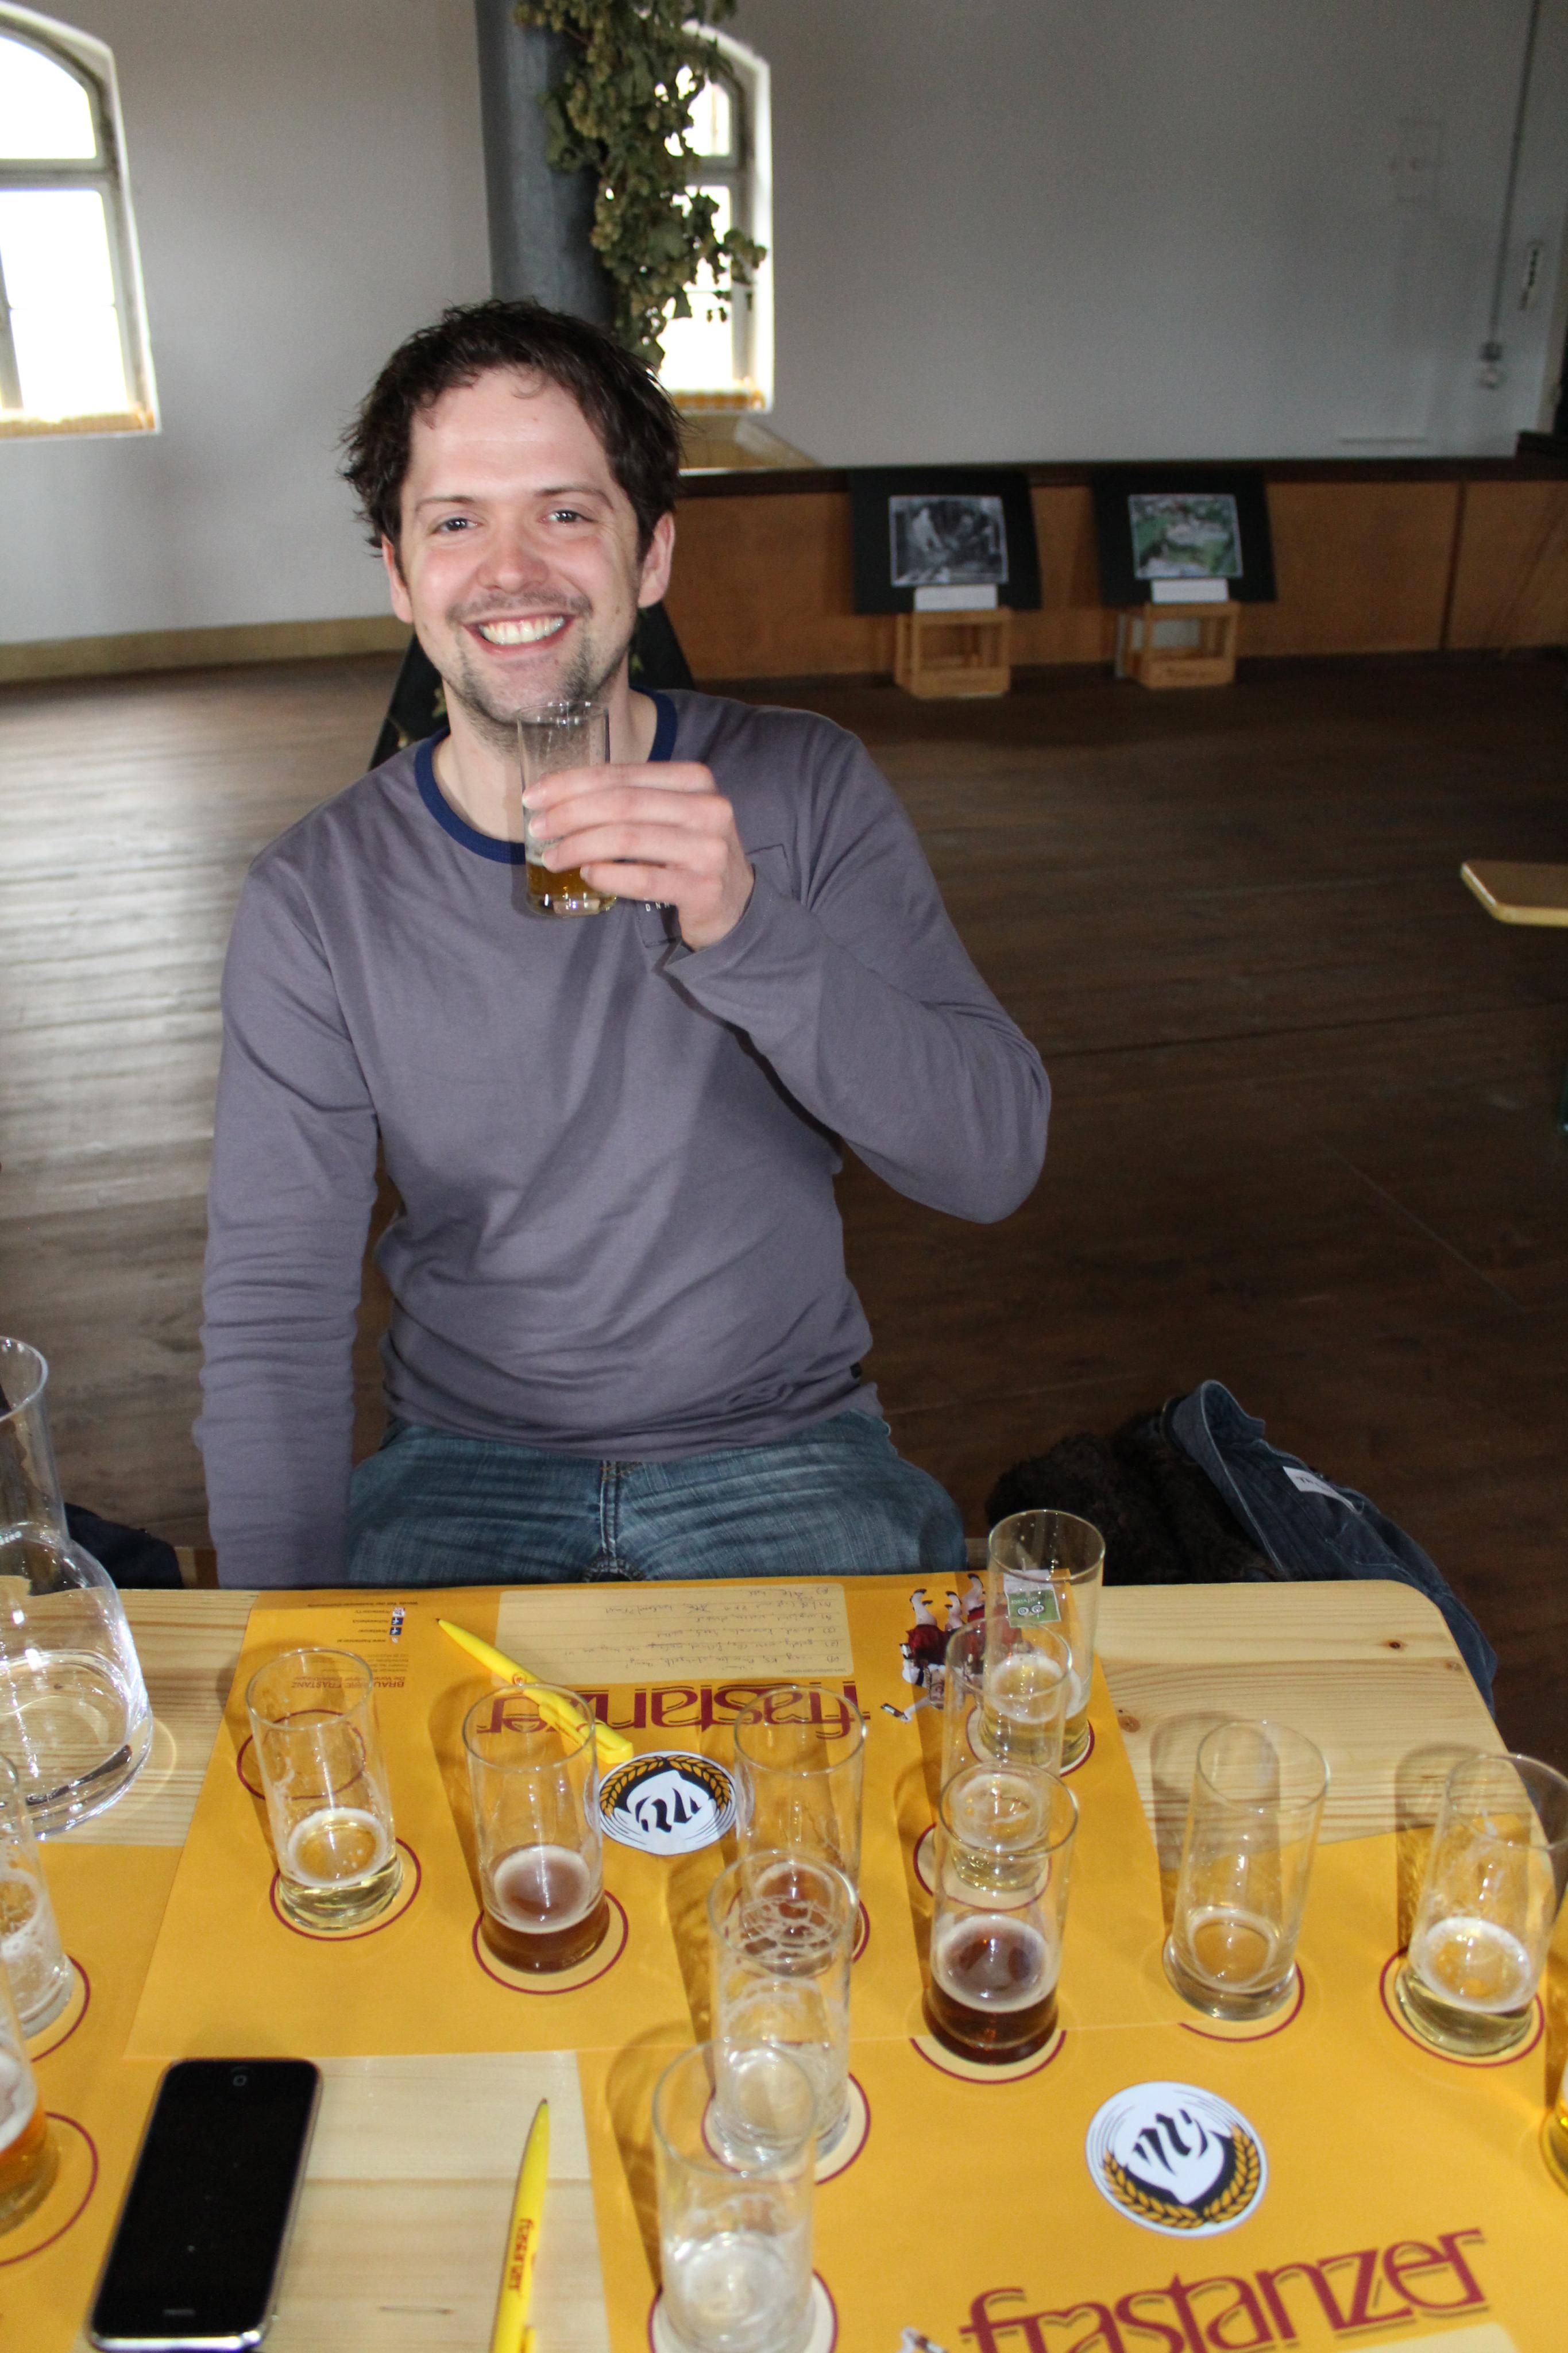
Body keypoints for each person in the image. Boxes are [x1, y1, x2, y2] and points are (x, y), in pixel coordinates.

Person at [196, 300, 1049, 1589]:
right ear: (399, 575)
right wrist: (286, 1629)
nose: (511, 570)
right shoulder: (317, 895)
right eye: (455, 522)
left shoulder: (803, 784)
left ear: (650, 555)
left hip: (783, 1447)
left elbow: (992, 1160)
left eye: (565, 511)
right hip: (463, 1465)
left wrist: (749, 928)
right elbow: (274, 1306)